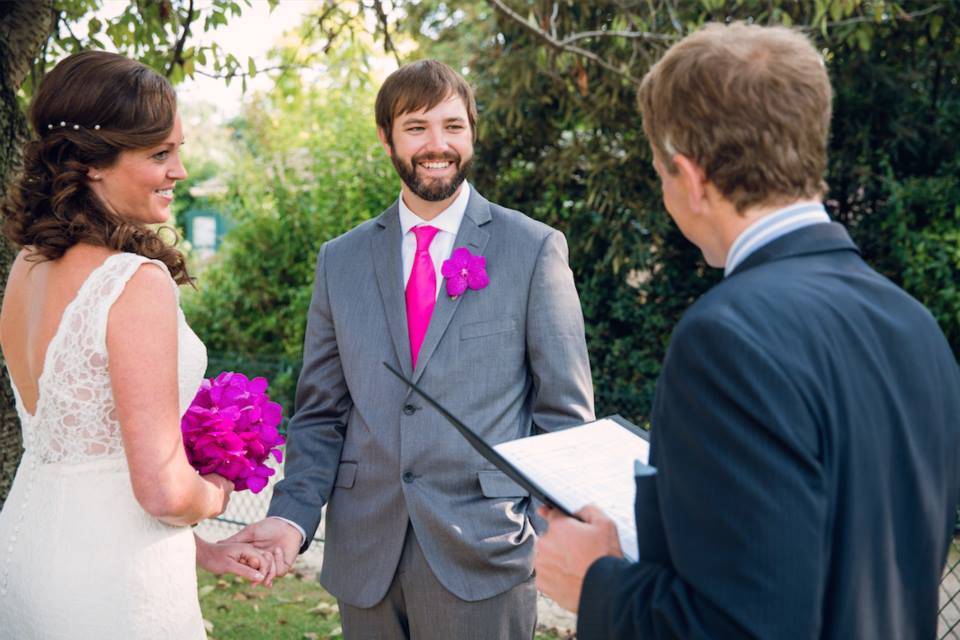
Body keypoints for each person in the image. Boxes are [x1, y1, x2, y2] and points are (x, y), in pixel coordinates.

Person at [534, 21, 960, 640]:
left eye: (660, 172)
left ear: (691, 176)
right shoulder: (912, 324)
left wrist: (596, 581)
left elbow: (745, 626)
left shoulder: (727, 338)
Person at [230, 59, 595, 639]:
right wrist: (290, 518)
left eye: (453, 126)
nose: (438, 145)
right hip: (364, 555)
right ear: (387, 138)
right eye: (418, 126)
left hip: (486, 557)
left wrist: (540, 536)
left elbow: (565, 420)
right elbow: (321, 414)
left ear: (472, 132)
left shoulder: (533, 250)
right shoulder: (340, 261)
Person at [0, 51, 274, 638]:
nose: (179, 171)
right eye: (158, 154)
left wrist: (200, 550)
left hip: (26, 551)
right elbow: (164, 491)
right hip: (113, 582)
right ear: (88, 164)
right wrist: (219, 490)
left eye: (178, 148)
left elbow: (85, 456)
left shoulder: (26, 267)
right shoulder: (134, 281)